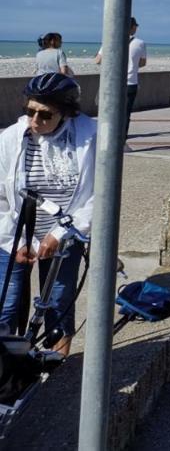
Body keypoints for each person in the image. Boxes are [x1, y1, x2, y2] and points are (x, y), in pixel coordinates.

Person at [0, 74, 96, 355]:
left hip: (65, 237)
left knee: (58, 302)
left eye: (45, 115)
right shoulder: (10, 139)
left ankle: (56, 372)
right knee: (7, 301)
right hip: (13, 235)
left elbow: (96, 196)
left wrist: (58, 234)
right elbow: (1, 197)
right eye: (30, 111)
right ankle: (6, 373)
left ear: (66, 113)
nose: (35, 121)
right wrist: (16, 242)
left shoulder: (89, 138)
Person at [95, 17, 147, 135]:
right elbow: (143, 63)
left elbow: (98, 60)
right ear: (132, 27)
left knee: (108, 112)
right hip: (130, 83)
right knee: (125, 114)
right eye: (136, 27)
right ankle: (122, 140)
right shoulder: (140, 43)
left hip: (112, 83)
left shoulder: (110, 41)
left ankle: (106, 137)